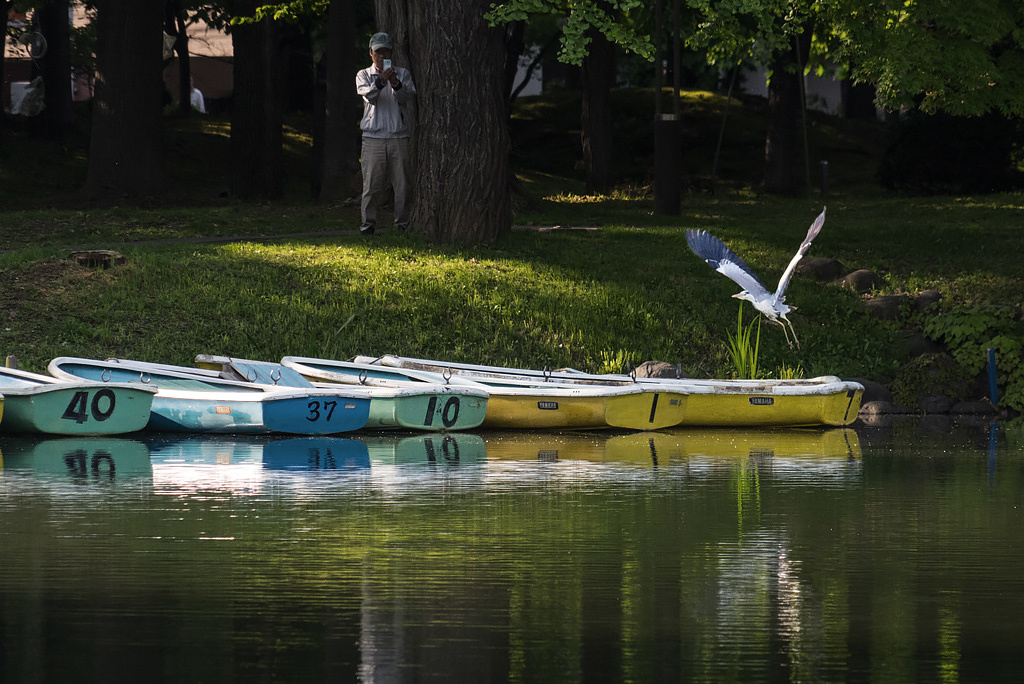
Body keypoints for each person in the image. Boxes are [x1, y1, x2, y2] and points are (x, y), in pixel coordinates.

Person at [355, 32, 417, 235]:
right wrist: (380, 82)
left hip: (398, 136)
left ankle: (401, 223)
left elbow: (408, 96)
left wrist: (396, 83)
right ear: (371, 53)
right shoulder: (363, 74)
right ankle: (367, 225)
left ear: (391, 52)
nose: (382, 56)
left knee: (402, 184)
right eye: (378, 52)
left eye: (386, 51)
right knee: (371, 184)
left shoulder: (402, 73)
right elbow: (369, 96)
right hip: (373, 138)